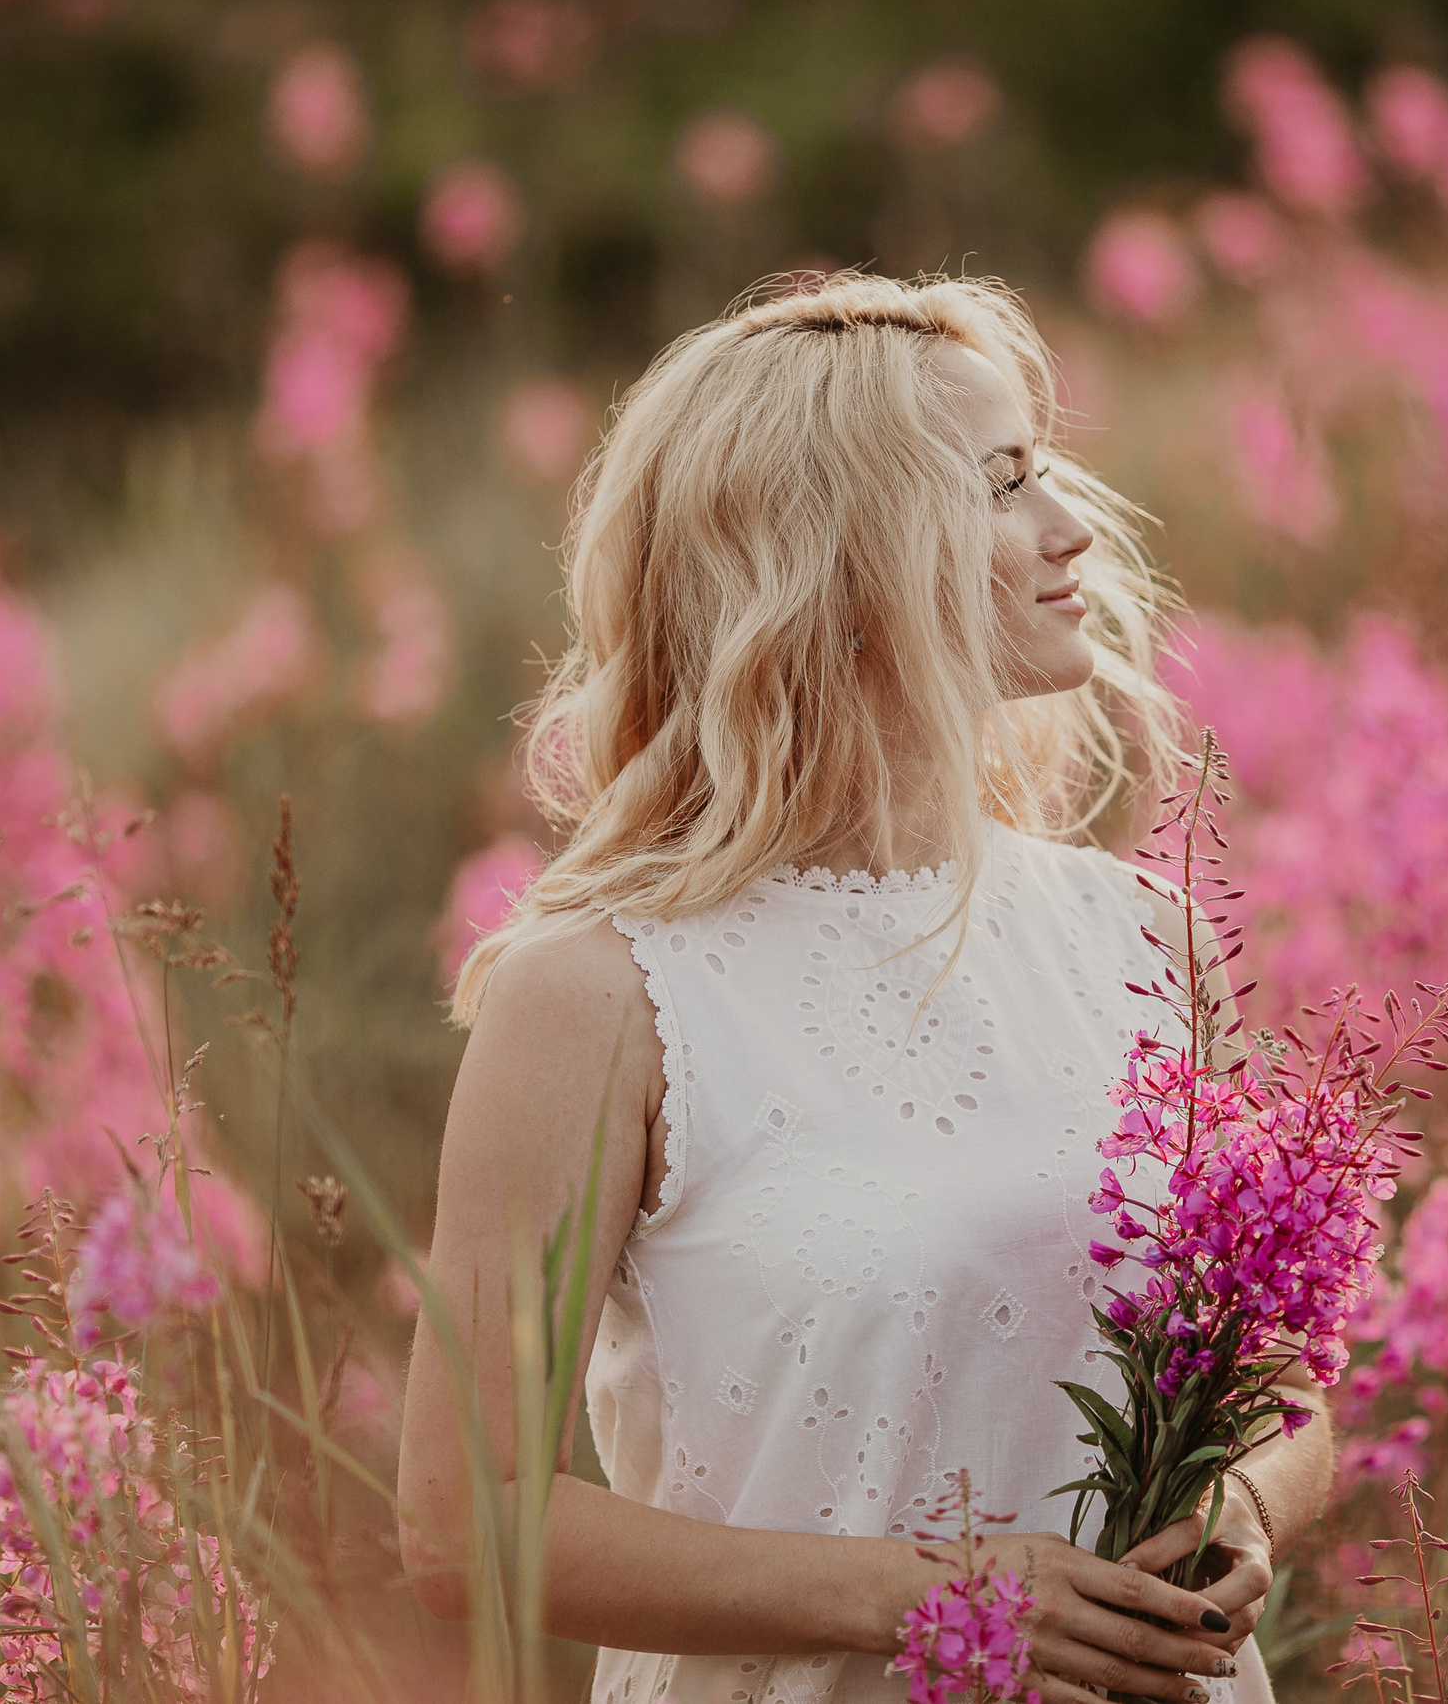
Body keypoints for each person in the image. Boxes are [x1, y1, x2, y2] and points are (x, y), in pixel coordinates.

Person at [396, 272, 1332, 1704]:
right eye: (1000, 483)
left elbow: (1282, 1392)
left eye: (1045, 467)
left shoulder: (1152, 940)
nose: (1072, 526)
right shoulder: (597, 990)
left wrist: (1244, 1508)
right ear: (832, 559)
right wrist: (931, 1598)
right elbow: (463, 1521)